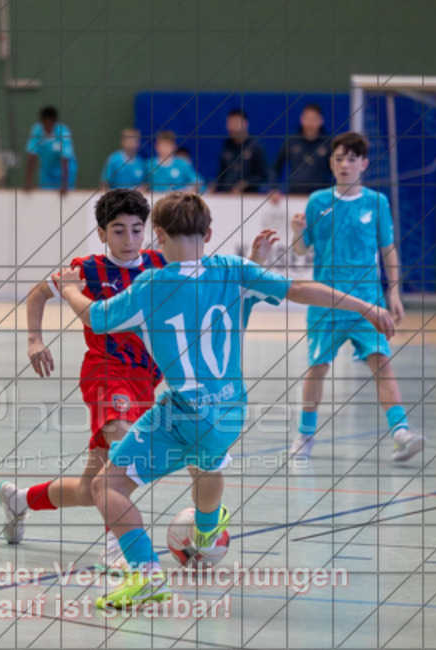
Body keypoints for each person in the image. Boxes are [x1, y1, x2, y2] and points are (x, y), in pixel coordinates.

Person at [54, 191, 395, 609]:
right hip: (232, 408)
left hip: (184, 411)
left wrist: (70, 289)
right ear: (210, 233)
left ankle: (144, 575)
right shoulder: (233, 270)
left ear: (156, 235)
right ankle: (206, 530)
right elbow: (301, 288)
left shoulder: (151, 284)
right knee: (208, 458)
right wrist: (366, 307)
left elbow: (96, 317)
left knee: (106, 486)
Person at [0, 188, 163, 571]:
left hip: (147, 381)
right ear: (102, 233)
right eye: (118, 231)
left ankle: (19, 499)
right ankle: (116, 544)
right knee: (124, 443)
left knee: (93, 488)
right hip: (106, 373)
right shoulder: (85, 269)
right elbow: (38, 294)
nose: (129, 240)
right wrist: (35, 340)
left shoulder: (158, 263)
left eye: (137, 230)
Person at [288, 132, 426, 462]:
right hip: (326, 303)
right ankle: (305, 435)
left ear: (364, 163)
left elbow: (387, 248)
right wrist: (296, 232)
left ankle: (401, 434)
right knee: (317, 367)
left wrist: (393, 291)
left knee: (383, 364)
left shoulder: (376, 203)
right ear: (331, 163)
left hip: (368, 302)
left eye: (352, 159)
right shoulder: (318, 202)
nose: (345, 164)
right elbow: (302, 249)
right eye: (339, 158)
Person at [269, 103, 333, 201]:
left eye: (314, 119)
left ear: (321, 120)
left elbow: (337, 168)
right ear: (302, 119)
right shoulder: (291, 141)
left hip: (322, 198)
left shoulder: (329, 143)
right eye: (308, 119)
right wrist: (273, 188)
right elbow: (275, 167)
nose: (311, 123)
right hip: (296, 196)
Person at [24, 106, 78, 194]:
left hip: (65, 172)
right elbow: (32, 157)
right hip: (47, 173)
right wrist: (28, 181)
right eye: (45, 123)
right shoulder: (37, 131)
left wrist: (65, 184)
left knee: (64, 199)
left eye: (50, 123)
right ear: (41, 122)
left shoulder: (63, 132)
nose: (47, 126)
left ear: (54, 122)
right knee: (46, 199)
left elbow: (65, 159)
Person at [214, 109, 268, 194]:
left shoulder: (256, 148)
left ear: (245, 124)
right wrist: (215, 185)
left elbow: (262, 175)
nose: (232, 128)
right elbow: (222, 174)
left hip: (248, 198)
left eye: (235, 124)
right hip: (227, 196)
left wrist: (246, 184)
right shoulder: (226, 147)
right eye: (229, 124)